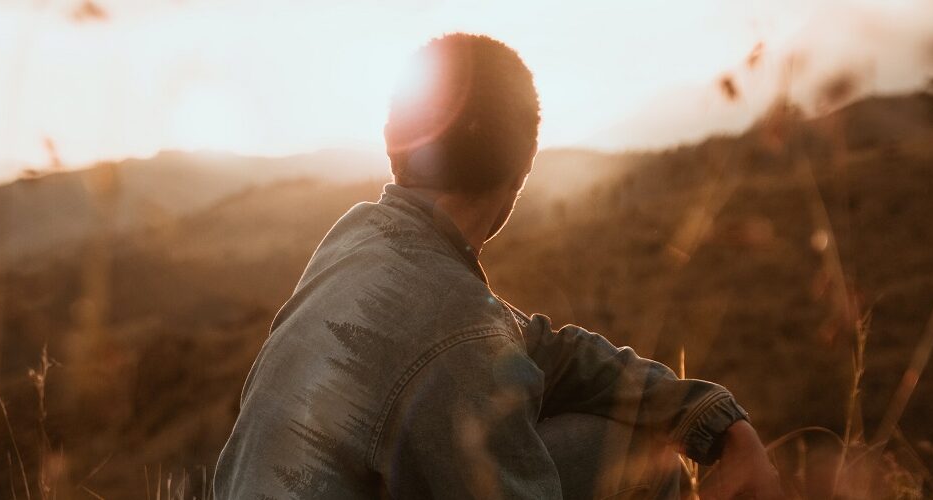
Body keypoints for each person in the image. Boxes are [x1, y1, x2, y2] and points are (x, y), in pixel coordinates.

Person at [213, 33, 783, 499]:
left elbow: (540, 350)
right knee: (636, 460)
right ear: (523, 170)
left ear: (391, 140)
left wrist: (714, 419)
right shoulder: (456, 333)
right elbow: (475, 350)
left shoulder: (356, 238)